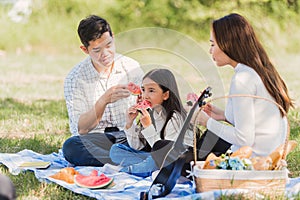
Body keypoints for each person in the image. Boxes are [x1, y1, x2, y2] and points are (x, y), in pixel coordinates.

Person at [196, 13, 294, 157]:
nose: (210, 50)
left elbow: (244, 139)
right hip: (270, 161)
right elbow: (257, 123)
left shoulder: (242, 79)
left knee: (197, 153)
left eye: (213, 44)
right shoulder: (258, 71)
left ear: (227, 44)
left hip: (251, 165)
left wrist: (206, 122)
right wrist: (222, 115)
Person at [62, 15, 144, 166]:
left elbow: (149, 105)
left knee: (154, 139)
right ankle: (137, 160)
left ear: (113, 38)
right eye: (97, 50)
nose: (105, 53)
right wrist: (103, 100)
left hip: (128, 136)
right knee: (71, 147)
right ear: (85, 50)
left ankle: (127, 159)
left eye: (109, 45)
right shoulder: (75, 79)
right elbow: (82, 128)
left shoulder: (131, 67)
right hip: (97, 139)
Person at [109, 68, 194, 177]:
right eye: (143, 90)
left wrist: (148, 127)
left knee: (151, 163)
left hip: (175, 162)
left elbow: (166, 155)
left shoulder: (175, 118)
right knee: (115, 150)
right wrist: (130, 124)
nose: (145, 96)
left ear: (165, 95)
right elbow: (138, 147)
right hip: (155, 159)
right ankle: (141, 169)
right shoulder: (152, 114)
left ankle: (124, 171)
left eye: (151, 90)